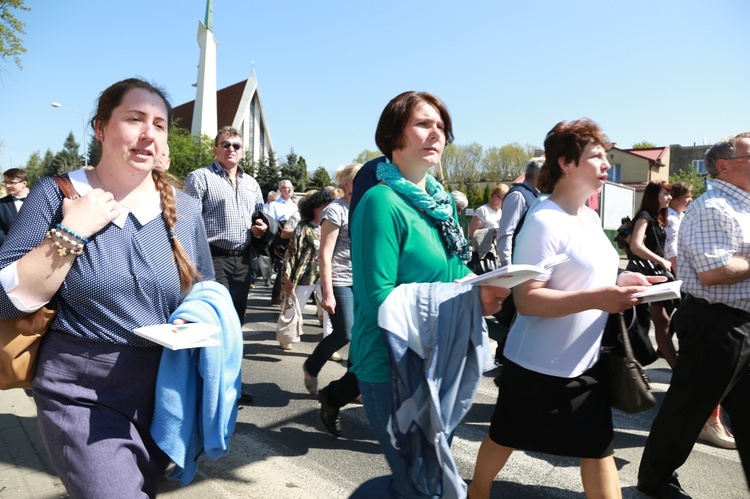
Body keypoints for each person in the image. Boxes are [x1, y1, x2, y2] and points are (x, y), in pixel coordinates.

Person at [0, 78, 215, 498]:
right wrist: (72, 230)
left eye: (159, 124)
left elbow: (205, 292)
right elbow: (5, 303)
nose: (148, 133)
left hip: (165, 392)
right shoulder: (56, 193)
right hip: (79, 389)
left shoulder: (184, 208)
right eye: (134, 119)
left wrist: (197, 322)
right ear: (100, 128)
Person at [469, 119, 659, 499]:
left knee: (597, 449)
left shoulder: (587, 216)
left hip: (585, 361)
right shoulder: (543, 220)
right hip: (538, 365)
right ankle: (476, 493)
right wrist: (597, 298)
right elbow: (527, 300)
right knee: (504, 436)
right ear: (567, 163)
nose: (606, 165)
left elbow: (588, 275)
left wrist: (625, 281)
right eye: (597, 157)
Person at [349, 91, 509, 497]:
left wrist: (486, 284)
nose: (435, 133)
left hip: (437, 357)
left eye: (441, 126)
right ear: (393, 135)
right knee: (418, 485)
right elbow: (377, 299)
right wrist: (464, 299)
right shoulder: (379, 202)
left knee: (429, 479)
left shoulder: (439, 203)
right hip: (391, 366)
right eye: (423, 124)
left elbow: (452, 268)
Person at [638, 132, 750, 499]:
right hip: (716, 323)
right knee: (687, 409)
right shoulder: (713, 207)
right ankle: (655, 479)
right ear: (725, 165)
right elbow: (713, 272)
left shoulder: (743, 205)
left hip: (740, 322)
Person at [183, 126, 272, 323]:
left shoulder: (252, 183)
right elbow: (188, 223)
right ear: (215, 149)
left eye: (236, 145)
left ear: (241, 151)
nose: (231, 149)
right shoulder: (199, 177)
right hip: (212, 258)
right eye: (225, 144)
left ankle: (231, 354)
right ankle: (212, 354)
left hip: (244, 260)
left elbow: (260, 217)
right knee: (216, 314)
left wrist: (261, 229)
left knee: (237, 315)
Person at [300, 164, 362, 436]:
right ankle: (312, 366)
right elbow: (325, 254)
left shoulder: (365, 208)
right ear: (348, 184)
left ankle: (352, 386)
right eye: (362, 180)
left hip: (363, 281)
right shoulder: (335, 210)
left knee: (361, 337)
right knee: (345, 331)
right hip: (339, 279)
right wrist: (326, 291)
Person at [628, 180, 677, 368]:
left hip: (656, 275)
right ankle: (676, 368)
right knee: (661, 321)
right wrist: (661, 260)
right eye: (665, 193)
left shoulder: (657, 218)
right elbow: (636, 245)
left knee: (661, 320)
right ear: (653, 195)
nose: (669, 198)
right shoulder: (645, 216)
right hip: (646, 275)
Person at [277, 189, 333, 350]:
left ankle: (330, 346)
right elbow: (291, 253)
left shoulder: (330, 226)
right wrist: (287, 277)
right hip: (305, 275)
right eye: (323, 206)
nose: (326, 209)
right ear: (314, 207)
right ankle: (286, 336)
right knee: (295, 307)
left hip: (326, 276)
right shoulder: (303, 227)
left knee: (330, 312)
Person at [495, 157, 544, 267]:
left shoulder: (534, 195)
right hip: (517, 267)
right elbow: (506, 232)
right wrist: (507, 267)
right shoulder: (518, 195)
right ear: (540, 175)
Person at [0, 168, 30, 246]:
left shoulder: (38, 201)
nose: (7, 185)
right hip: (10, 251)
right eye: (5, 182)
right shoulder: (1, 204)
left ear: (24, 183)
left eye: (12, 182)